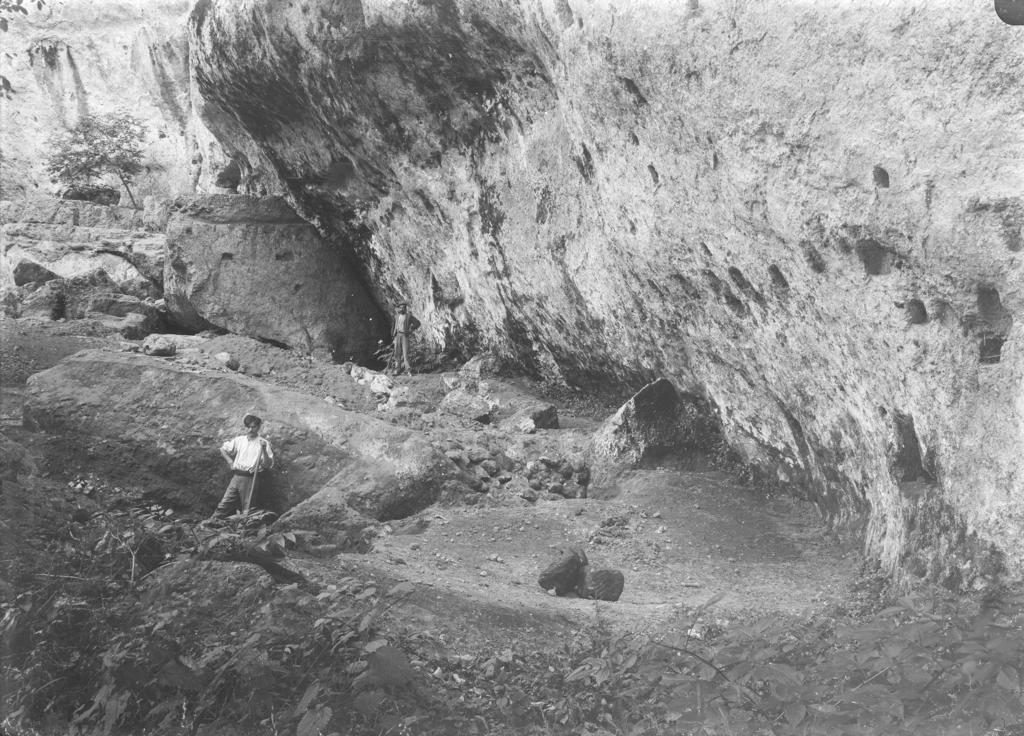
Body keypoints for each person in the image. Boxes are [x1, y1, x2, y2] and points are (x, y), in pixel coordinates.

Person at [206, 413, 275, 523]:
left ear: (258, 427)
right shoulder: (239, 440)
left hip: (250, 478)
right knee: (225, 502)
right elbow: (223, 449)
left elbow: (267, 465)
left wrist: (264, 450)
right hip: (236, 476)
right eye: (248, 427)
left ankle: (245, 530)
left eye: (254, 427)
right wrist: (230, 462)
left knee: (248, 507)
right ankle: (210, 523)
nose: (251, 429)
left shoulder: (263, 443)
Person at [390, 302, 420, 375]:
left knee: (405, 353)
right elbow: (393, 326)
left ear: (405, 308)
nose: (402, 308)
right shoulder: (396, 316)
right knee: (397, 353)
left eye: (403, 307)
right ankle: (397, 369)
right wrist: (392, 335)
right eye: (400, 307)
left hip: (404, 336)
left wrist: (410, 329)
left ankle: (408, 370)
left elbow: (417, 323)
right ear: (399, 308)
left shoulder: (409, 316)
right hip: (397, 336)